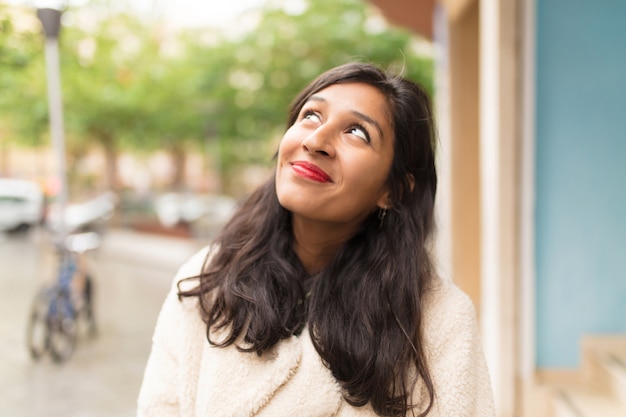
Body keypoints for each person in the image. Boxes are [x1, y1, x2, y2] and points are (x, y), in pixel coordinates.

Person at [137, 62, 495, 417]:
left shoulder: (438, 319)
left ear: (393, 190)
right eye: (311, 116)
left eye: (357, 132)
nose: (316, 141)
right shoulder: (206, 281)